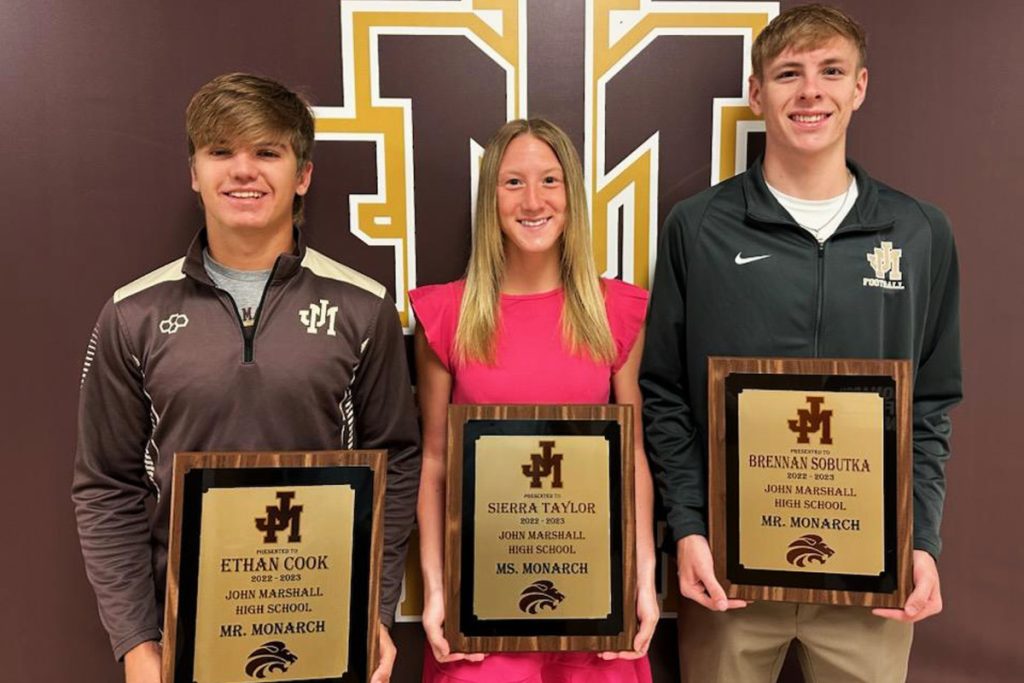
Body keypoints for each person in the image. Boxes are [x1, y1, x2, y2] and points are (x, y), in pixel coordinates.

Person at [640, 5, 962, 682]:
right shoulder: (697, 227)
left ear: (860, 86)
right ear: (757, 93)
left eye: (831, 71)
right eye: (789, 73)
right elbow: (664, 393)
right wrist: (690, 527)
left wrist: (921, 538)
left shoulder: (919, 231)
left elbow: (930, 404)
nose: (810, 90)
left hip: (871, 579)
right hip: (730, 578)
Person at [72, 72, 420, 683]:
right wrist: (136, 642)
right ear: (194, 172)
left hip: (326, 633)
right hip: (183, 644)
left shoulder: (364, 308)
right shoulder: (133, 313)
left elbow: (396, 460)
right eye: (220, 151)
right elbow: (106, 486)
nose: (243, 171)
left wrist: (377, 611)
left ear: (303, 174)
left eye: (267, 152)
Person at [411, 118, 659, 683]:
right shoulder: (446, 315)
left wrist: (644, 578)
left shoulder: (614, 311)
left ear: (571, 194)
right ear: (489, 200)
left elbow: (633, 457)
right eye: (512, 183)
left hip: (596, 601)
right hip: (483, 607)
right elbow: (433, 463)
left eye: (550, 181)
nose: (533, 200)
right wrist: (436, 589)